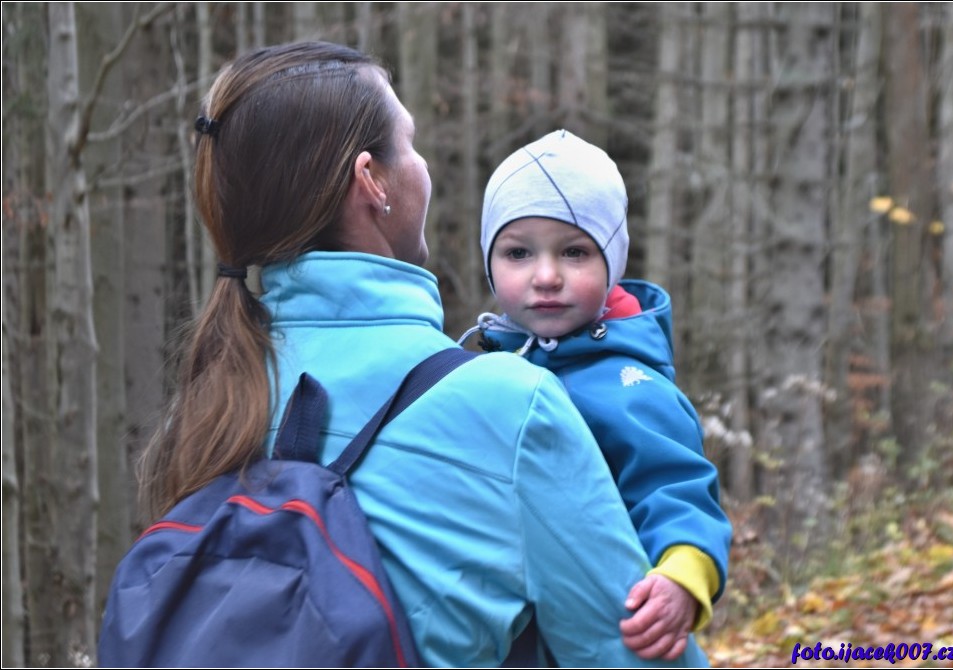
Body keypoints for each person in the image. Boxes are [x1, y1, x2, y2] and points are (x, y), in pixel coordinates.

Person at [139, 42, 700, 667]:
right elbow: (635, 652)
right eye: (410, 144)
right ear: (371, 180)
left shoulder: (204, 407)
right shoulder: (511, 405)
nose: (425, 167)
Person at [459, 129, 733, 662]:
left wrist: (683, 572)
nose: (546, 276)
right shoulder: (481, 366)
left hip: (602, 634)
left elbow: (677, 487)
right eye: (518, 252)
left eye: (575, 252)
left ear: (613, 262)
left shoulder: (631, 385)